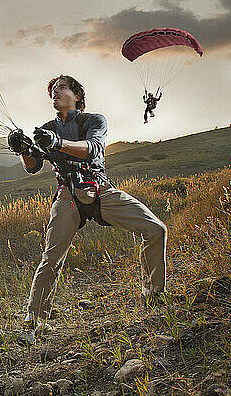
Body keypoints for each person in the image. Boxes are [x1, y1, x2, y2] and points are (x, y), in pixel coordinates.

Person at [14, 75, 168, 336]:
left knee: (156, 230)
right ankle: (34, 320)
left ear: (77, 95)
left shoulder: (94, 120)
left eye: (62, 87)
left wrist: (58, 143)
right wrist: (21, 149)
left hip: (101, 189)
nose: (55, 92)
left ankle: (153, 294)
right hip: (67, 196)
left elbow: (93, 149)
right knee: (51, 257)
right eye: (52, 89)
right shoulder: (46, 127)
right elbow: (33, 167)